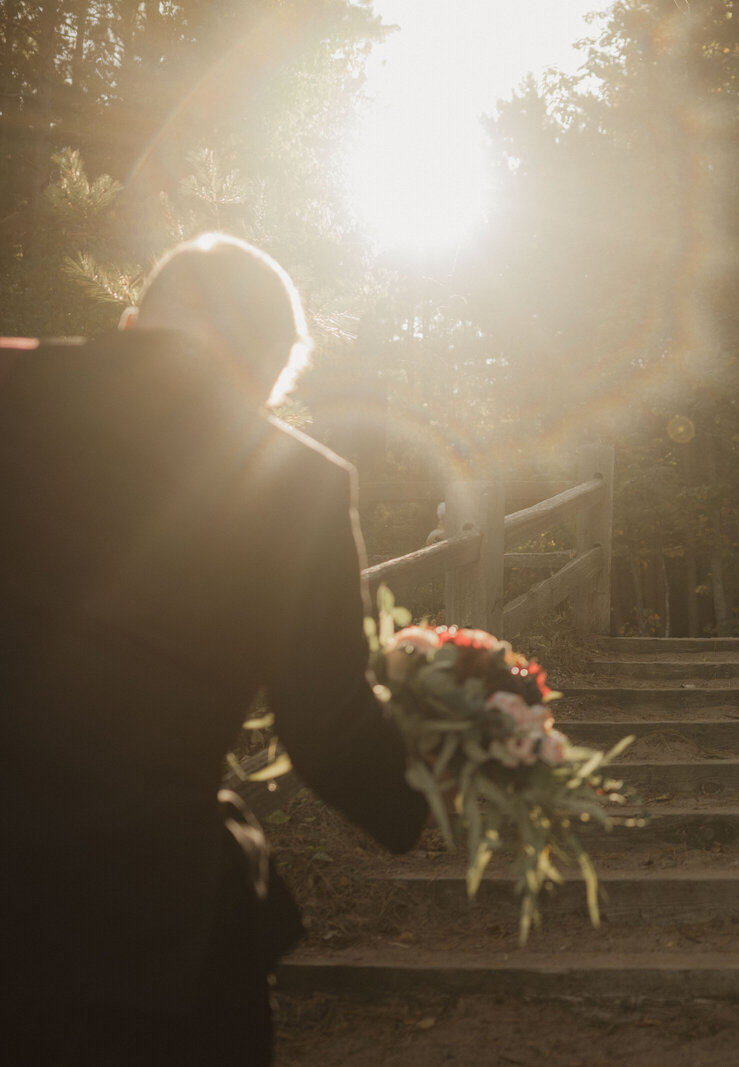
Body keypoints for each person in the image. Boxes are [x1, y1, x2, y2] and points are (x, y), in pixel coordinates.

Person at [0, 234, 428, 1065]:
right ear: (272, 367)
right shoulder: (299, 482)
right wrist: (435, 788)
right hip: (142, 923)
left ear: (131, 322)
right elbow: (329, 730)